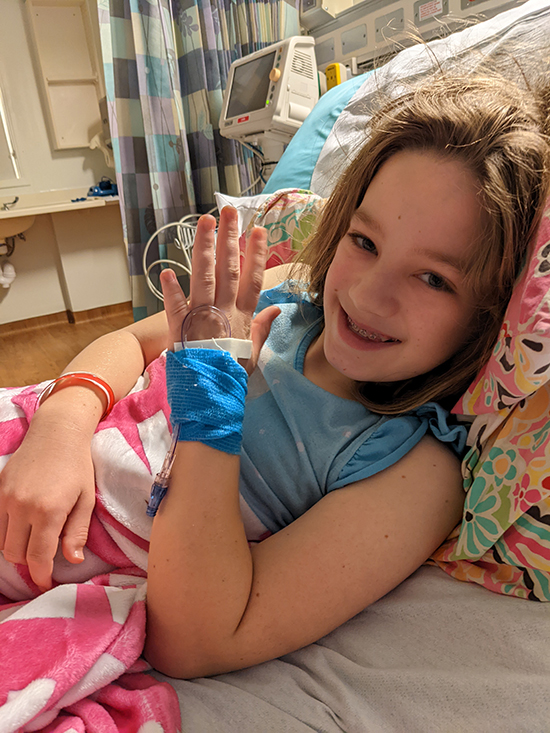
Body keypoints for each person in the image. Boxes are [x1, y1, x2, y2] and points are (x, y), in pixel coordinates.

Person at [0, 73, 549, 680]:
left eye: (434, 279)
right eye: (364, 241)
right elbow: (129, 340)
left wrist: (212, 390)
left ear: (492, 317)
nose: (368, 294)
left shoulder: (411, 468)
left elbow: (193, 643)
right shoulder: (285, 297)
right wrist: (59, 430)